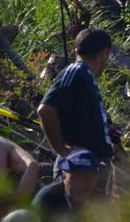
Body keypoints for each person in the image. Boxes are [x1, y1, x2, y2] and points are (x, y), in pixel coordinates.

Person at [37, 29, 117, 167]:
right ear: (103, 53)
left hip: (94, 167)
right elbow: (45, 110)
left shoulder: (86, 77)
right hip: (79, 168)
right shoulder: (76, 72)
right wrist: (62, 150)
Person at [32, 150, 110, 222]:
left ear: (96, 179)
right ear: (64, 177)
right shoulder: (45, 201)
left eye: (88, 178)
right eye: (76, 178)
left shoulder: (103, 203)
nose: (81, 185)